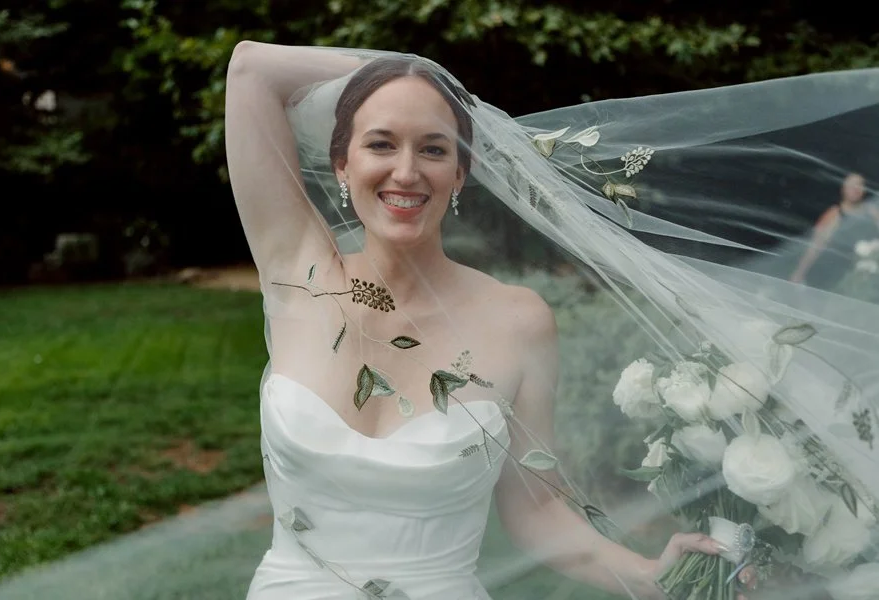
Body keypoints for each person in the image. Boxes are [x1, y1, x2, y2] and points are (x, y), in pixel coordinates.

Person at [226, 42, 878, 600]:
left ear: (461, 172)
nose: (406, 171)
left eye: (433, 147)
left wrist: (649, 572)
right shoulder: (295, 274)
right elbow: (251, 70)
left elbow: (537, 510)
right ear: (342, 164)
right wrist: (417, 72)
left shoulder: (518, 321)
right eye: (380, 143)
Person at [791, 172, 879, 289]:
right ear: (843, 189)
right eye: (851, 185)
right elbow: (815, 246)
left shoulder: (872, 212)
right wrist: (799, 272)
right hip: (836, 274)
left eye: (859, 185)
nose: (855, 189)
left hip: (867, 273)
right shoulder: (833, 215)